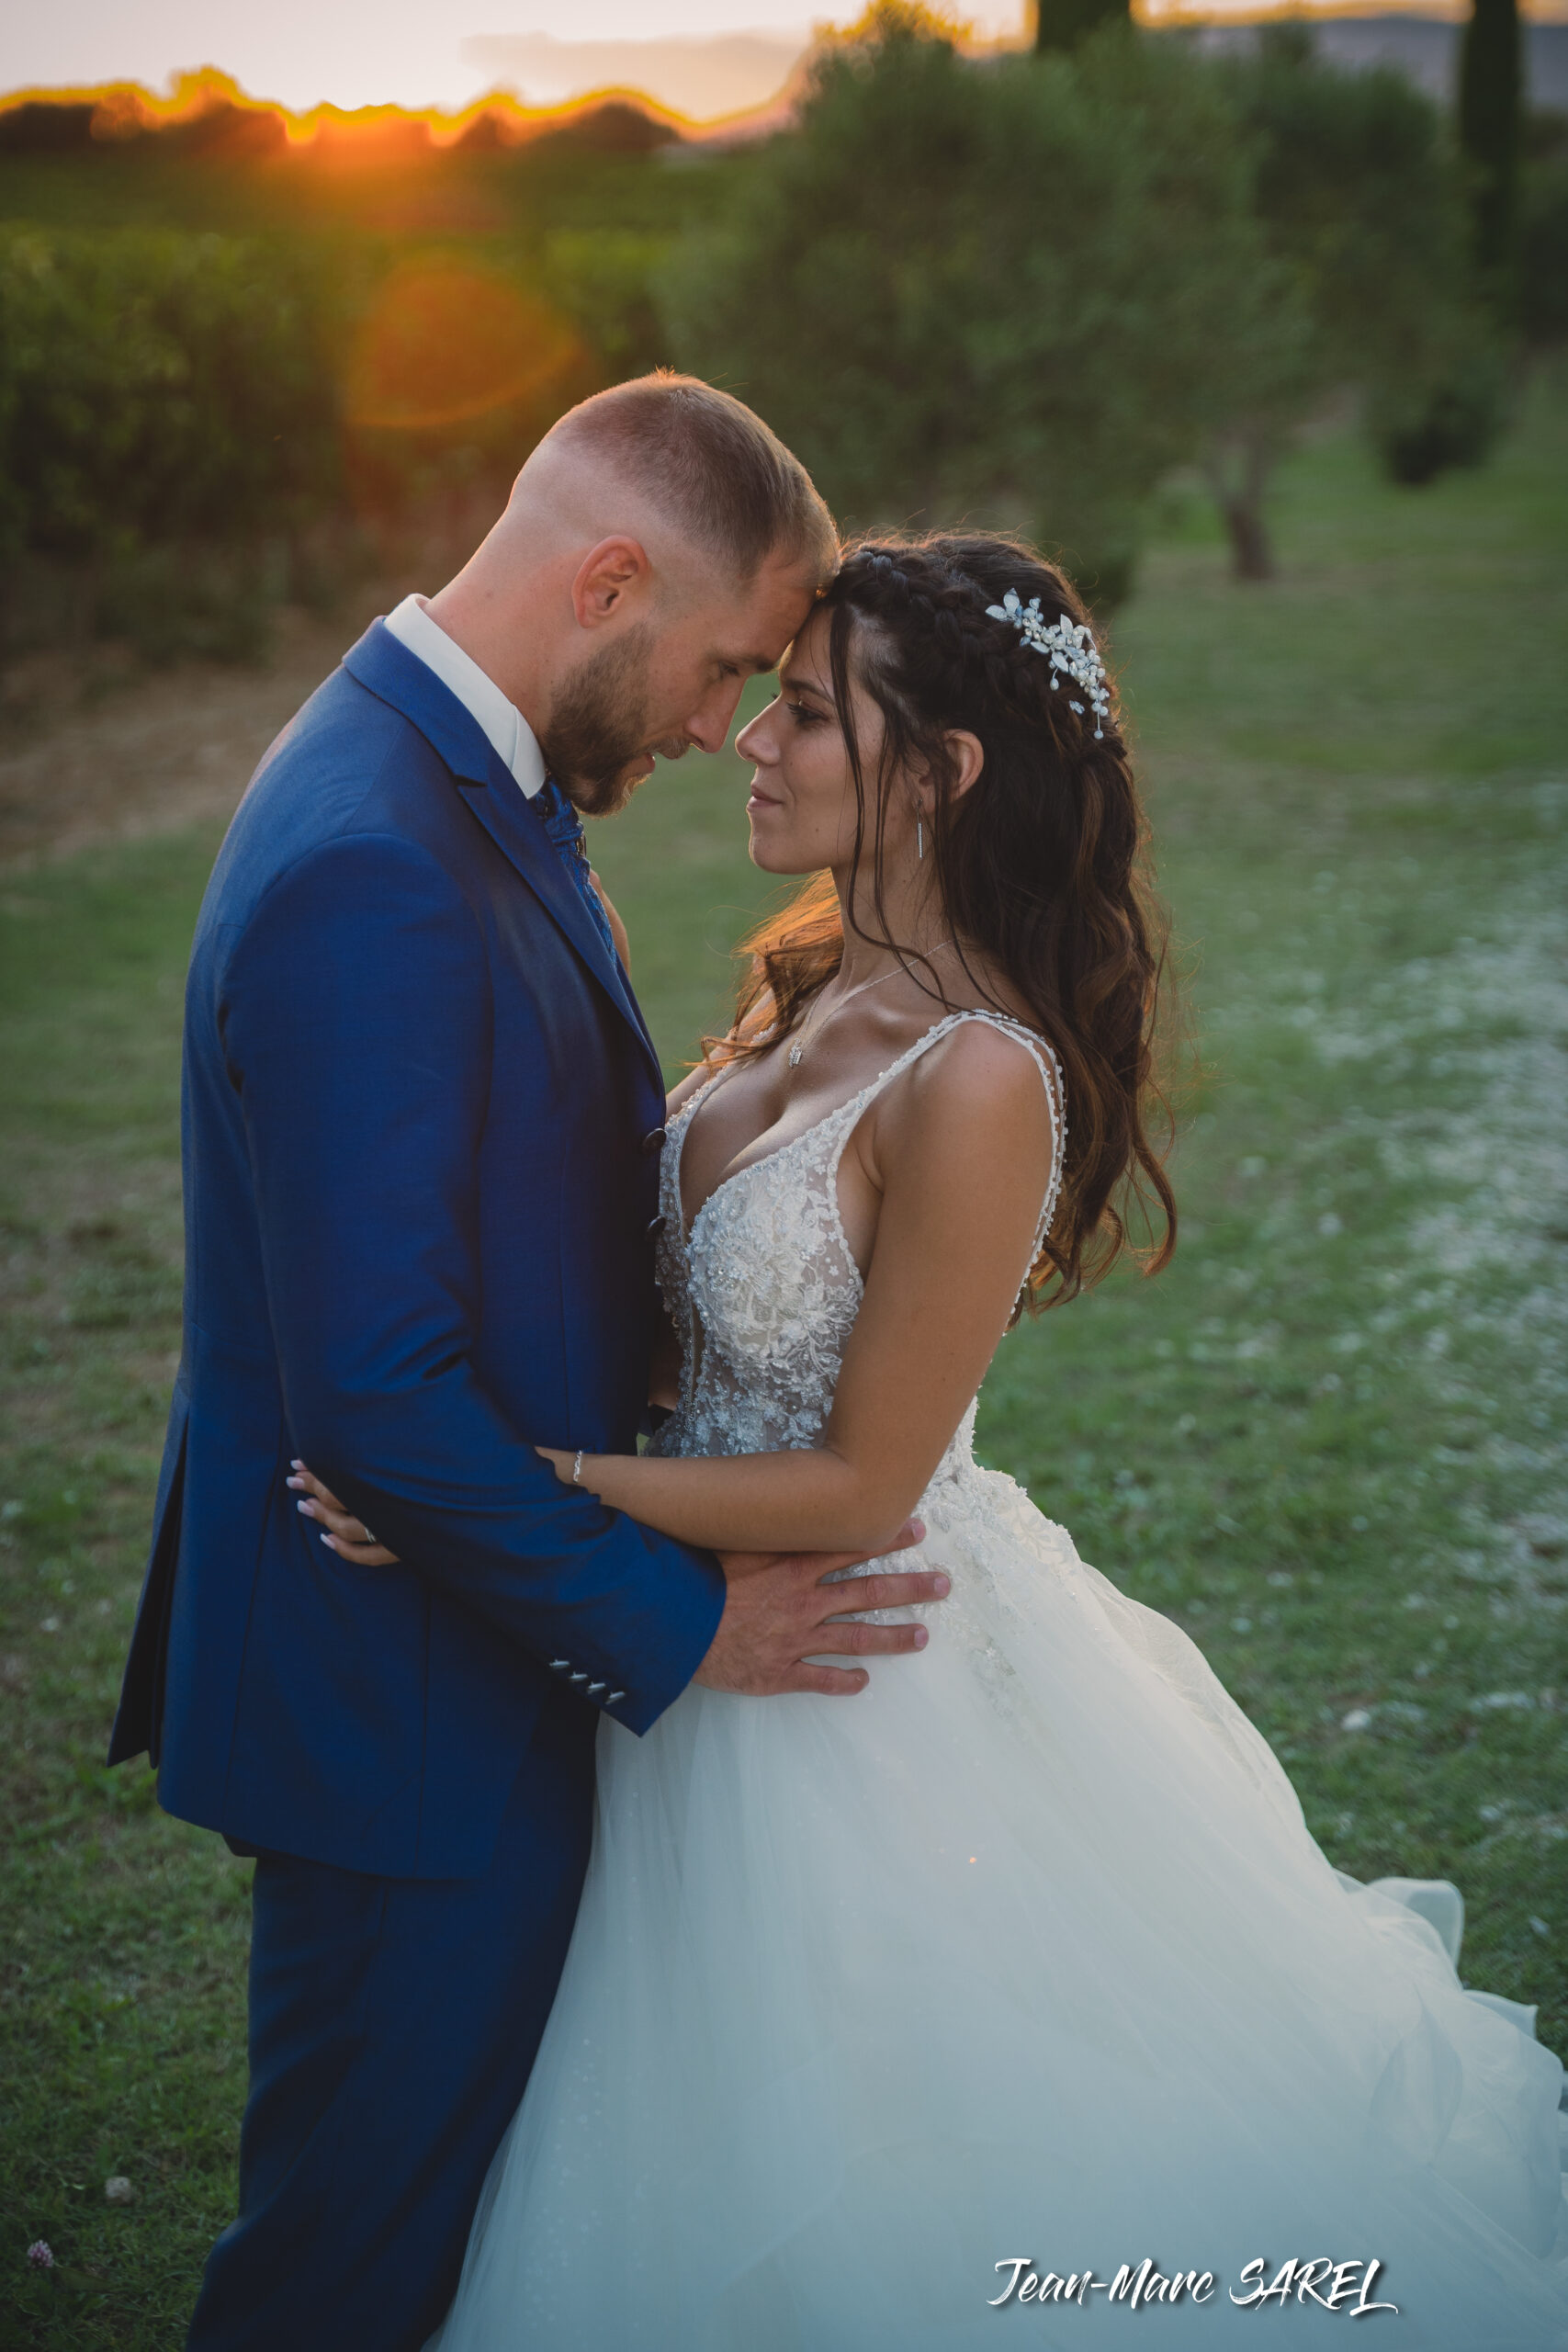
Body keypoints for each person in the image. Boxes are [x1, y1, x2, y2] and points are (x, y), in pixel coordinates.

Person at [299, 534, 1568, 2348]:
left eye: (807, 713)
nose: (747, 736)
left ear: (943, 771)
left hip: (851, 1692)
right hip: (686, 1648)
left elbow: (858, 1483)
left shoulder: (977, 1072)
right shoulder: (814, 981)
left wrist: (493, 1493)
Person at [105, 377, 953, 2352]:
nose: (714, 725)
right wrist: (678, 1624)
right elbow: (380, 1400)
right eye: (720, 665)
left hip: (459, 1655)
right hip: (402, 1709)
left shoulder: (463, 775)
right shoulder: (377, 857)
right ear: (605, 579)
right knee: (348, 2264)